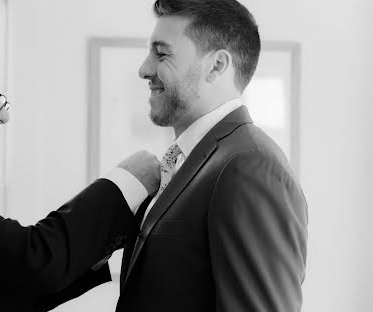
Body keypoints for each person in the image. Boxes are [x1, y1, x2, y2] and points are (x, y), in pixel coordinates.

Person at [0, 32, 160, 311]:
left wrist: (96, 250)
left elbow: (0, 289)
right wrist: (127, 182)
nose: (3, 116)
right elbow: (32, 261)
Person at [116, 0, 308, 311]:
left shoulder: (250, 166)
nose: (144, 69)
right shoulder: (190, 162)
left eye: (161, 53)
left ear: (216, 66)